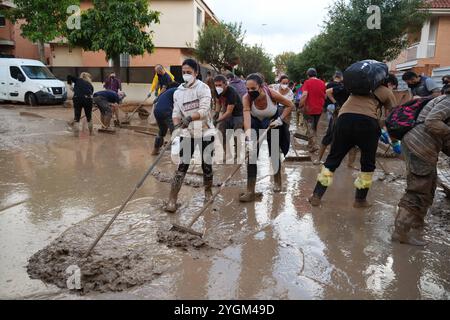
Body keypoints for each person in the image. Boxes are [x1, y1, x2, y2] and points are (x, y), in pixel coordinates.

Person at [309, 71, 397, 208]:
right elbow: (393, 118)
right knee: (367, 163)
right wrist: (394, 140)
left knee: (333, 159)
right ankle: (360, 200)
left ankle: (316, 196)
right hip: (367, 124)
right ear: (388, 82)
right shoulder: (386, 91)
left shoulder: (358, 87)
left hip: (344, 120)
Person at [392, 88, 450, 246]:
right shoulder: (448, 101)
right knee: (418, 189)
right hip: (420, 145)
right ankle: (400, 233)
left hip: (420, 144)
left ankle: (416, 223)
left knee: (429, 184)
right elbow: (432, 122)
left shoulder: (443, 99)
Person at [165, 59, 215, 213]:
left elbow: (205, 109)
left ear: (196, 73)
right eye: (183, 72)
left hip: (205, 130)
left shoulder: (203, 88)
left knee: (206, 165)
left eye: (189, 72)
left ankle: (208, 192)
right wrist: (176, 125)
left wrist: (190, 118)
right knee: (182, 165)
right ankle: (172, 199)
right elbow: (176, 112)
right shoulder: (178, 92)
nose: (186, 75)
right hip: (187, 132)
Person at [239, 73, 295, 202]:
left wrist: (280, 119)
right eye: (248, 89)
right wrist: (248, 138)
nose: (250, 91)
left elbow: (290, 105)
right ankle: (250, 190)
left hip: (272, 121)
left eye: (253, 88)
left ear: (261, 86)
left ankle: (277, 182)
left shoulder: (272, 94)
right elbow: (247, 117)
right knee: (251, 155)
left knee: (274, 153)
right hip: (255, 122)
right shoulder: (246, 98)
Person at [315, 72, 351, 165]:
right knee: (330, 135)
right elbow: (327, 92)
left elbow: (326, 94)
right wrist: (336, 103)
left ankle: (348, 163)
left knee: (348, 138)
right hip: (338, 113)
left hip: (345, 114)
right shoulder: (342, 87)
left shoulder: (353, 90)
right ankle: (320, 159)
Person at [213, 74, 244, 159]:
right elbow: (218, 103)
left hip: (237, 114)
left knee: (236, 135)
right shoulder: (216, 91)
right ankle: (227, 153)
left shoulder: (231, 92)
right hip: (226, 112)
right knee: (220, 132)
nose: (217, 87)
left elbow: (229, 112)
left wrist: (217, 120)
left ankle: (237, 155)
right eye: (216, 85)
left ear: (225, 84)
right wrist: (216, 113)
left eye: (220, 85)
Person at [299, 68, 326, 153]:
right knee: (315, 127)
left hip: (309, 108)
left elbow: (304, 95)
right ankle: (310, 144)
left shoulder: (307, 82)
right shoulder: (322, 83)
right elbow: (324, 96)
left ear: (308, 75)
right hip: (319, 108)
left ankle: (315, 145)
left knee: (310, 127)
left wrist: (300, 105)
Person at [151, 82, 180, 155]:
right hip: (166, 111)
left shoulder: (167, 92)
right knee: (175, 131)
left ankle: (155, 150)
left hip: (157, 111)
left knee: (162, 131)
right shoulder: (177, 91)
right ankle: (176, 154)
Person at [67, 72, 94, 137]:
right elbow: (90, 93)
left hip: (77, 98)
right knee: (89, 117)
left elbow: (69, 76)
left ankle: (76, 134)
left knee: (77, 117)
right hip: (88, 99)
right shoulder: (90, 85)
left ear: (81, 76)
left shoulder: (78, 80)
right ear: (88, 78)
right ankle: (91, 133)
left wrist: (70, 85)